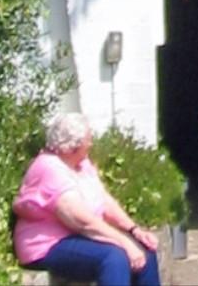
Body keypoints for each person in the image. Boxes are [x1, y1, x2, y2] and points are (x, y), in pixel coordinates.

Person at [13, 113, 160, 286]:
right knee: (114, 258)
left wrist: (134, 230)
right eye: (88, 140)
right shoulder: (49, 168)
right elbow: (83, 222)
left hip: (76, 237)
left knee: (145, 249)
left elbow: (104, 200)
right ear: (73, 146)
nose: (91, 144)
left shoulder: (81, 164)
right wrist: (125, 243)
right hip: (46, 245)